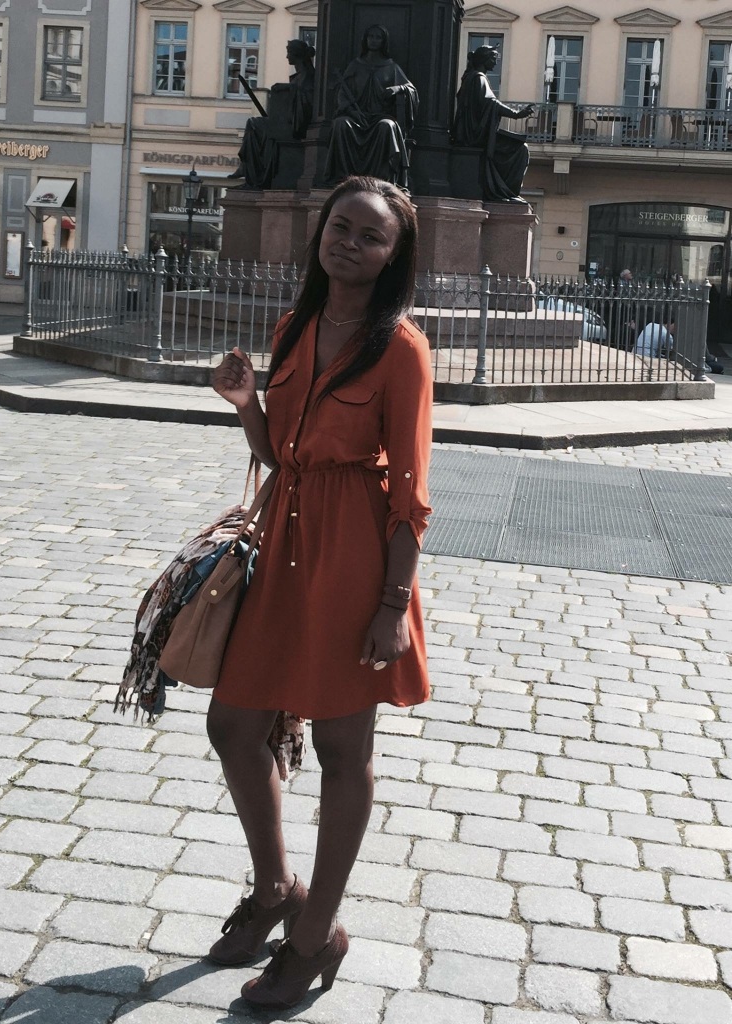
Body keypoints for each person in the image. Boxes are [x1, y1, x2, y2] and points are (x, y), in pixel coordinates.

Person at [207, 175, 433, 1009]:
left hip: (354, 559)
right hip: (286, 541)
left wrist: (391, 607)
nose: (350, 243)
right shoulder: (294, 325)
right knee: (233, 723)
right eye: (341, 226)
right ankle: (275, 891)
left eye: (370, 236)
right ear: (320, 232)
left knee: (343, 751)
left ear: (392, 256)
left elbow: (410, 491)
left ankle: (313, 937)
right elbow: (279, 454)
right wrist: (244, 403)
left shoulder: (400, 348)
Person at [323, 25, 418, 188]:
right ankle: (343, 178)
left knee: (386, 126)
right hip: (356, 116)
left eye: (378, 37)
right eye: (371, 37)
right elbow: (342, 94)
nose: (373, 40)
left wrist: (398, 88)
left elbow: (411, 90)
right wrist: (351, 111)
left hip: (380, 117)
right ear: (365, 40)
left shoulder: (391, 67)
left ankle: (382, 180)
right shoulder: (355, 65)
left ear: (384, 42)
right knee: (340, 124)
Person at [451, 46, 533, 201]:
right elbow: (491, 103)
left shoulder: (472, 77)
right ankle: (505, 191)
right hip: (476, 136)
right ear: (484, 59)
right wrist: (516, 114)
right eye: (493, 58)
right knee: (520, 149)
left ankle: (504, 189)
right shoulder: (478, 78)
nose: (495, 62)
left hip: (475, 133)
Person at [232, 39, 315, 189]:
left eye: (289, 53)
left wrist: (286, 88)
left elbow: (306, 99)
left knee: (254, 124)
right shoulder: (299, 76)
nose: (287, 57)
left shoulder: (308, 75)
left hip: (295, 125)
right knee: (256, 126)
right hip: (286, 121)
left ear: (297, 54)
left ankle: (248, 171)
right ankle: (248, 170)